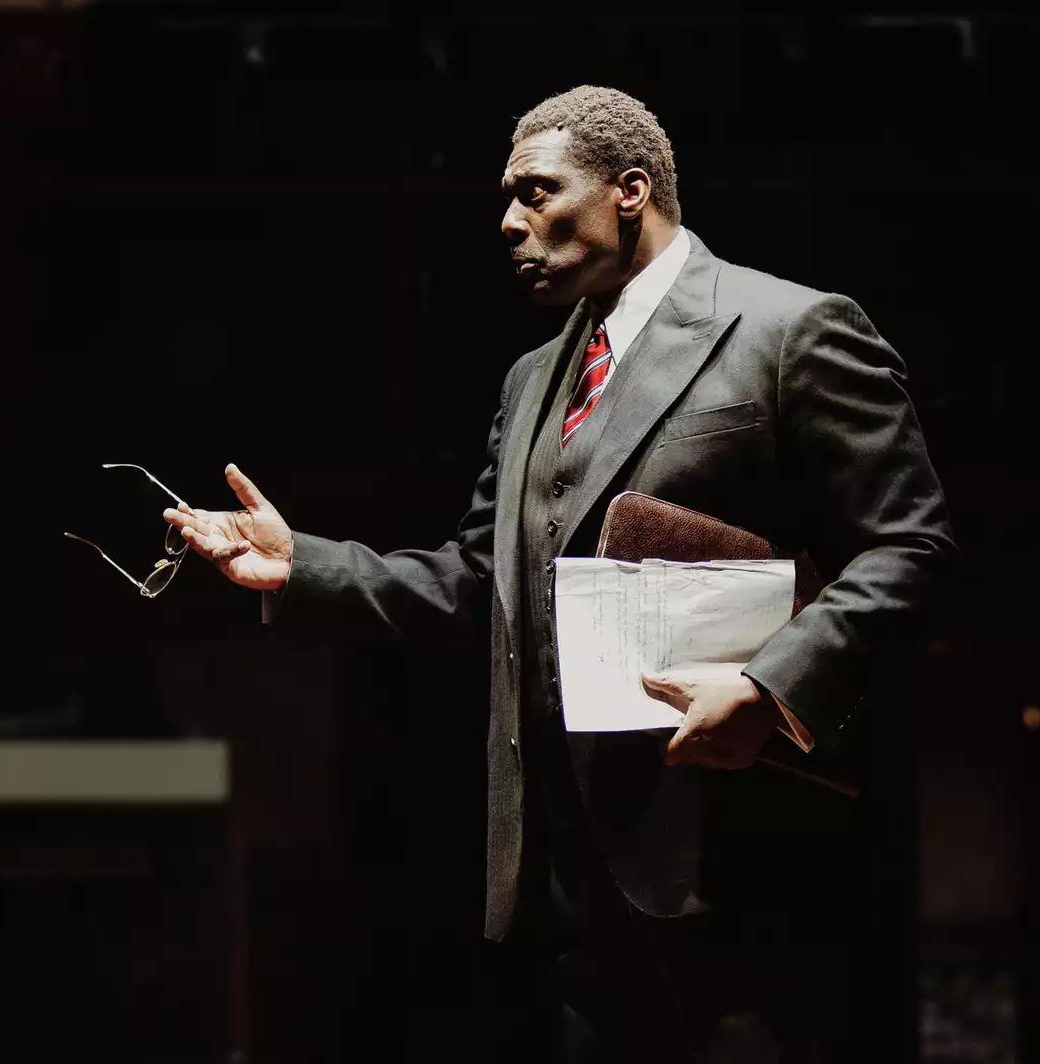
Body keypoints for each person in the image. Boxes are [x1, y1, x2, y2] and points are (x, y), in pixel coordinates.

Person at [167, 85, 956, 1062]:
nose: (509, 220)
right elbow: (482, 583)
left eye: (536, 192)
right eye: (507, 197)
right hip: (575, 871)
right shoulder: (534, 376)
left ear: (630, 190)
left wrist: (767, 686)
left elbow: (909, 546)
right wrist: (304, 567)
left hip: (742, 847)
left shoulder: (790, 329)